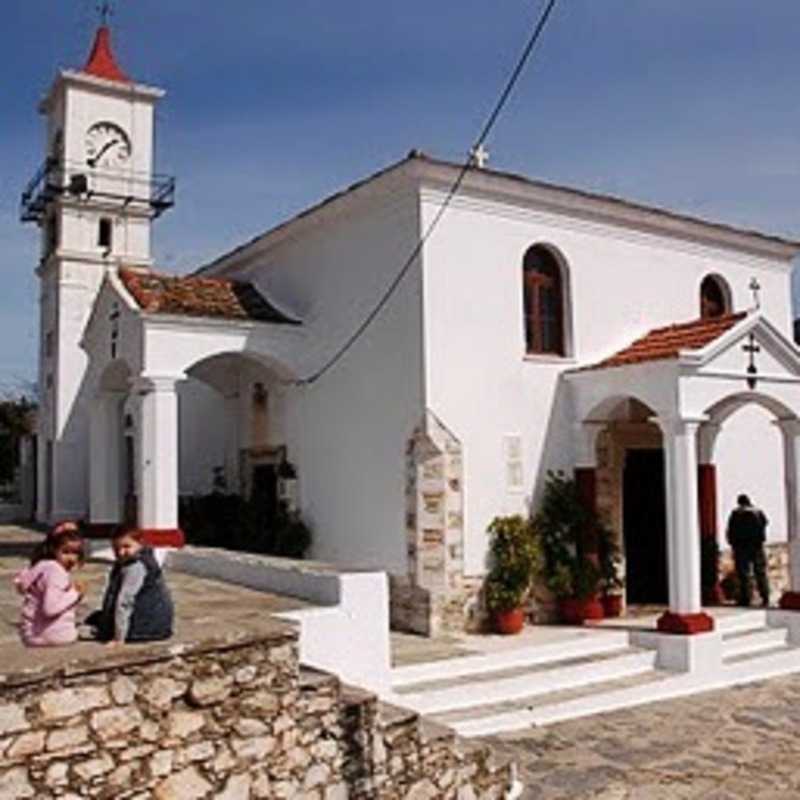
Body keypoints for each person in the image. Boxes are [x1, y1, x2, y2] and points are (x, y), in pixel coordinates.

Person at [86, 528, 174, 645]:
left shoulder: (135, 566)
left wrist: (118, 637)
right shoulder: (145, 559)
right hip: (157, 624)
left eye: (126, 546)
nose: (121, 552)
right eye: (117, 549)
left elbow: (124, 602)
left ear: (140, 544)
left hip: (143, 627)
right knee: (95, 617)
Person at [14, 522, 86, 647]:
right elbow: (50, 609)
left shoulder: (40, 567)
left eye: (75, 553)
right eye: (65, 552)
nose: (71, 558)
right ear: (55, 550)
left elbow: (21, 583)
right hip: (55, 635)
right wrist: (75, 594)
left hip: (31, 635)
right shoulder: (56, 572)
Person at [726, 494, 770, 607]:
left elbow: (731, 530)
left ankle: (746, 598)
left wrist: (733, 544)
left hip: (741, 548)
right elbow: (765, 524)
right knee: (760, 573)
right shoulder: (758, 512)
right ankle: (765, 597)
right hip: (757, 547)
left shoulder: (736, 514)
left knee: (744, 574)